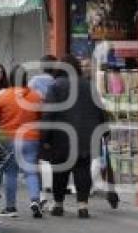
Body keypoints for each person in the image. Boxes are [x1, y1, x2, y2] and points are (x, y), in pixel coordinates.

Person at [41, 55, 107, 219]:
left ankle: (58, 205)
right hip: (86, 137)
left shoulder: (55, 86)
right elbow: (100, 110)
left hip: (61, 137)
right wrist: (105, 131)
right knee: (83, 170)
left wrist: (45, 138)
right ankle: (82, 206)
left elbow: (48, 113)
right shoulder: (88, 85)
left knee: (60, 171)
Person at [0, 65, 44, 219]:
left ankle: (10, 207)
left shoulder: (2, 96)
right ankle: (35, 200)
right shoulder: (36, 96)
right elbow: (40, 115)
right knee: (31, 171)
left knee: (10, 172)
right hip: (30, 137)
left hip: (8, 136)